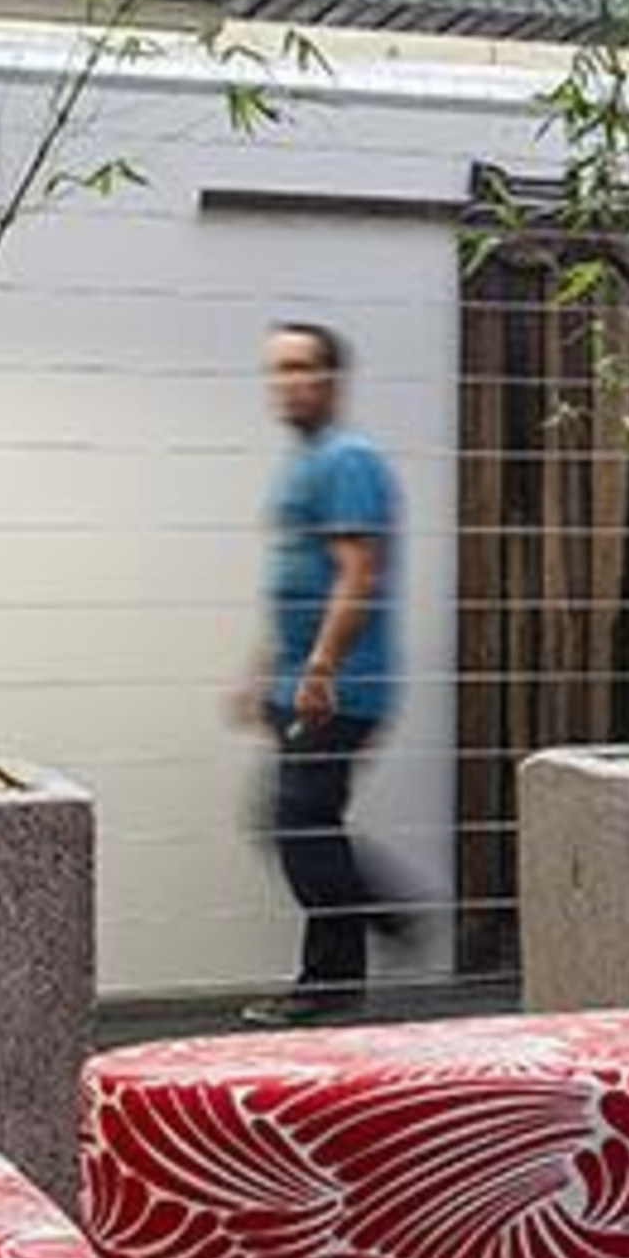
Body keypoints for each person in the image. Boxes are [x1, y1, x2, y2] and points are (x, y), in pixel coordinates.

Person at [244, 317, 410, 1022]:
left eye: (301, 367)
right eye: (277, 369)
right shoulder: (308, 460)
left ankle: (366, 946)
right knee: (301, 823)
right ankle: (331, 981)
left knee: (301, 821)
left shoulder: (348, 459)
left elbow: (357, 573)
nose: (287, 383)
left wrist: (320, 669)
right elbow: (298, 579)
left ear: (331, 379)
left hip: (342, 683)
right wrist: (264, 670)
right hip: (302, 678)